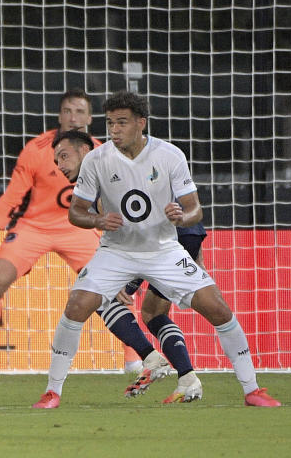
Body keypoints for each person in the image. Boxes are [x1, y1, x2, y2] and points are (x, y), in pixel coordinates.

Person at [33, 90, 281, 408]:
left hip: (164, 249)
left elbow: (195, 210)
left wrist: (182, 215)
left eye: (122, 122)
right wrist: (97, 219)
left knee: (218, 308)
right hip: (116, 251)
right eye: (110, 123)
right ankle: (52, 391)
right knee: (77, 305)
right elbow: (75, 212)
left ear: (141, 123)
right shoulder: (97, 159)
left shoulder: (169, 155)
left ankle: (252, 389)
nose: (115, 130)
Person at [0, 91, 154, 376]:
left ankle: (133, 359)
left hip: (81, 228)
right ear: (60, 116)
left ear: (89, 118)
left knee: (115, 290)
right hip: (34, 226)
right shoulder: (37, 149)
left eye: (79, 111)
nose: (73, 117)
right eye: (68, 111)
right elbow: (12, 197)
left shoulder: (103, 153)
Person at [52, 130, 201, 401]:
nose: (60, 166)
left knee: (103, 299)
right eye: (56, 161)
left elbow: (135, 225)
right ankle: (187, 377)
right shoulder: (107, 168)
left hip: (162, 242)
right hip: (184, 235)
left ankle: (153, 359)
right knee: (154, 314)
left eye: (64, 157)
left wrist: (125, 278)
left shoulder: (104, 170)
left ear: (85, 152)